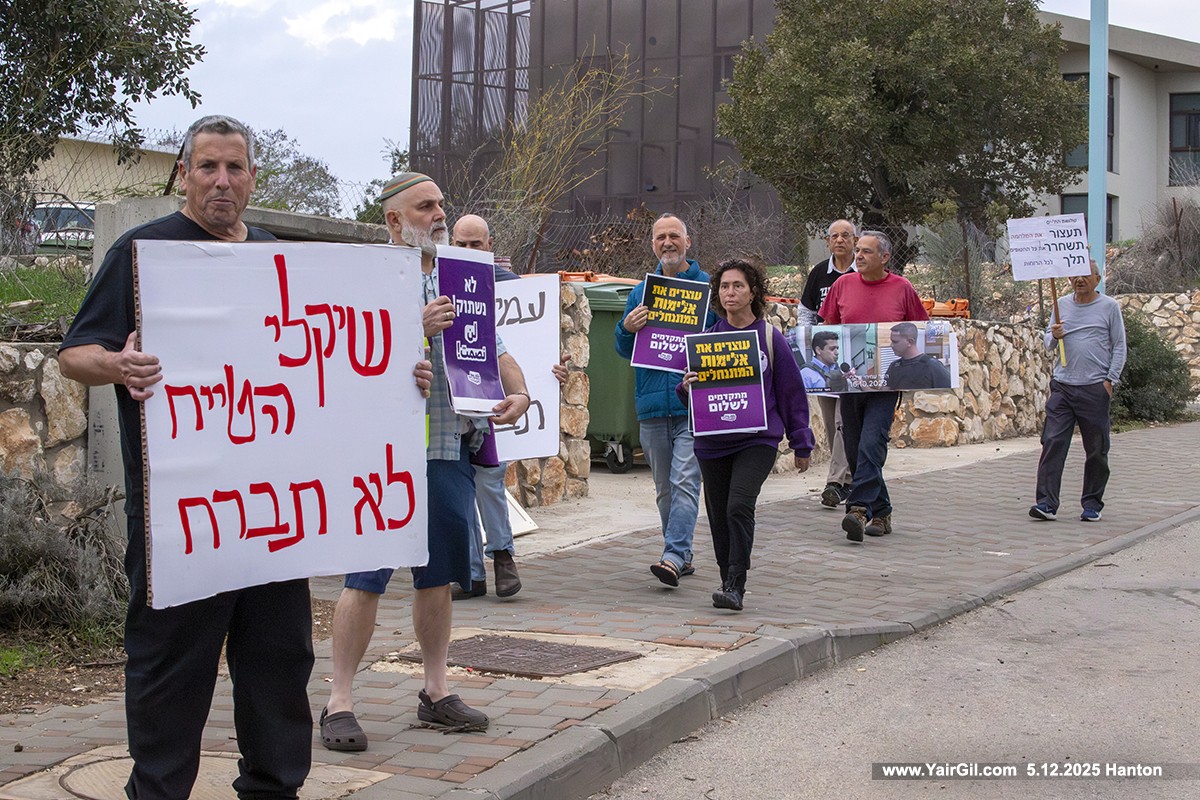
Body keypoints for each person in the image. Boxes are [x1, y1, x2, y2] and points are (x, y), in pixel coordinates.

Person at [57, 115, 328, 800]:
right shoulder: (142, 252)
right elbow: (74, 355)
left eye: (235, 168)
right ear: (184, 174)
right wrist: (117, 364)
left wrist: (391, 379)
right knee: (170, 672)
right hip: (183, 518)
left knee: (279, 666)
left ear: (254, 178)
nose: (221, 181)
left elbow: (321, 360)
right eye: (208, 167)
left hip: (271, 516)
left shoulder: (274, 257)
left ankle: (274, 788)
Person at [320, 176, 531, 751]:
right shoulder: (366, 277)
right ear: (394, 220)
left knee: (438, 577)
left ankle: (436, 691)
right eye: (426, 206)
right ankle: (339, 701)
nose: (440, 214)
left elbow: (495, 347)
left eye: (441, 204)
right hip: (383, 455)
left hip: (445, 450)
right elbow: (339, 351)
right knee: (365, 576)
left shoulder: (461, 276)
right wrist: (414, 327)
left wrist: (520, 392)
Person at [447, 213, 570, 600]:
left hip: (493, 405)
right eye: (461, 244)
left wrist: (553, 367)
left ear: (490, 245)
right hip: (450, 403)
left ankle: (502, 557)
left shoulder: (515, 289)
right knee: (457, 488)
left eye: (476, 244)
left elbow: (531, 346)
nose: (469, 251)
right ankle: (469, 573)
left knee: (489, 479)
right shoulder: (438, 283)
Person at [679, 259, 813, 611]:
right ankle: (727, 581)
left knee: (739, 505)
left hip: (757, 439)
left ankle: (737, 582)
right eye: (724, 286)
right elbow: (691, 397)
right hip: (712, 442)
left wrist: (801, 442)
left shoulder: (769, 338)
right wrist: (686, 387)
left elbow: (791, 393)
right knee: (719, 515)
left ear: (753, 292)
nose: (730, 292)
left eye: (738, 285)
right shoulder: (707, 340)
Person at [614, 213, 715, 588]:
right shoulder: (641, 292)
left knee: (685, 480)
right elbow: (623, 348)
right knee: (665, 489)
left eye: (674, 236)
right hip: (652, 406)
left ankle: (672, 555)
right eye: (661, 237)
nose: (668, 242)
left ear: (688, 242)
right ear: (653, 244)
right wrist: (627, 328)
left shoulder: (708, 288)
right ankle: (682, 556)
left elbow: (724, 340)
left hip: (693, 406)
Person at [819, 230, 929, 543]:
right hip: (850, 385)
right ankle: (882, 510)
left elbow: (920, 331)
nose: (859, 256)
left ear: (885, 257)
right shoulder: (842, 285)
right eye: (858, 250)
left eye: (867, 251)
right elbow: (828, 328)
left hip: (886, 386)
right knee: (855, 451)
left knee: (871, 445)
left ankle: (858, 509)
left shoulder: (902, 288)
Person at [1030, 260, 1127, 522]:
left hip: (1094, 388)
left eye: (1086, 275)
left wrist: (1110, 380)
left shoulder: (1109, 307)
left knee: (1096, 449)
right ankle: (1046, 504)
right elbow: (1048, 343)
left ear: (1097, 279)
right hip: (1063, 386)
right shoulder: (1060, 304)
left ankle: (1092, 504)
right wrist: (1054, 335)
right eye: (1074, 275)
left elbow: (1119, 345)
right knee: (1052, 442)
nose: (1080, 279)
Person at [798, 220, 856, 509]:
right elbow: (806, 311)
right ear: (827, 241)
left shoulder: (863, 270)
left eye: (846, 235)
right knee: (832, 423)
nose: (840, 240)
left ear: (855, 239)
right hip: (824, 358)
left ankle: (835, 482)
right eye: (834, 236)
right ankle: (850, 480)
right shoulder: (819, 273)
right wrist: (806, 338)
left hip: (852, 359)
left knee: (843, 421)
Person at [884, 321, 951, 390]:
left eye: (895, 342)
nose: (891, 345)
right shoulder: (894, 366)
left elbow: (949, 393)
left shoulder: (932, 366)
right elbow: (884, 390)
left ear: (910, 342)